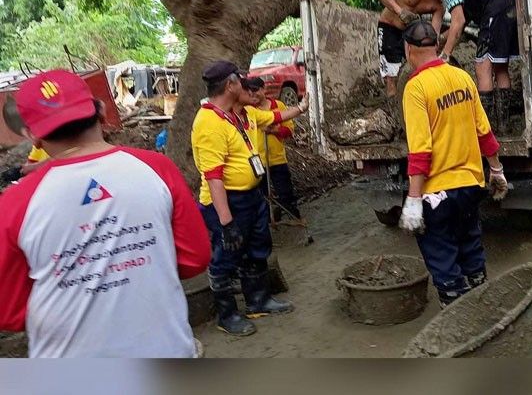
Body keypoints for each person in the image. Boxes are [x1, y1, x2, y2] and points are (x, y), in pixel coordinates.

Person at [0, 69, 210, 357]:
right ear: (100, 110)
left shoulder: (15, 202)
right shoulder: (157, 169)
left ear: (32, 136)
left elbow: (9, 311)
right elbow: (195, 259)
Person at [191, 61, 309, 337]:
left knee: (257, 247)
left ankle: (258, 301)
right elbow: (213, 176)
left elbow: (277, 119)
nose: (247, 87)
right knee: (225, 256)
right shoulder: (209, 123)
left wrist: (303, 107)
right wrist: (226, 221)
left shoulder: (239, 115)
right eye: (240, 81)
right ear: (230, 85)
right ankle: (227, 314)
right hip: (227, 201)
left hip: (250, 196)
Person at [398, 20, 509, 307]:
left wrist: (413, 200)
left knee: (443, 259)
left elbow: (420, 151)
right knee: (471, 249)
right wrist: (496, 170)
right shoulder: (463, 78)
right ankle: (484, 307)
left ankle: (459, 317)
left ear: (408, 49)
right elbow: (484, 132)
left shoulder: (415, 87)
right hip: (471, 185)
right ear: (436, 44)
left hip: (438, 193)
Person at [412, 0, 519, 135]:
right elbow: (461, 23)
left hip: (495, 11)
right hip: (508, 7)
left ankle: (486, 130)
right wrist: (440, 40)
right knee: (500, 67)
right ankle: (503, 128)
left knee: (482, 67)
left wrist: (444, 56)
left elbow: (458, 21)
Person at [243, 77, 303, 224]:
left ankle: (295, 220)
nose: (253, 94)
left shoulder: (278, 105)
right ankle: (268, 222)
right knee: (261, 196)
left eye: (256, 90)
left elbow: (289, 130)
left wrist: (274, 130)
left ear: (263, 89)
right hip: (257, 162)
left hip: (277, 159)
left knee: (286, 194)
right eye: (249, 91)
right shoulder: (247, 110)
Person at [376, 0, 444, 97]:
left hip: (411, 32)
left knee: (416, 65)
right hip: (388, 25)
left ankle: (418, 93)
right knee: (391, 74)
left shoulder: (438, 4)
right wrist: (400, 12)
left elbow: (433, 34)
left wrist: (435, 46)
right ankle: (391, 103)